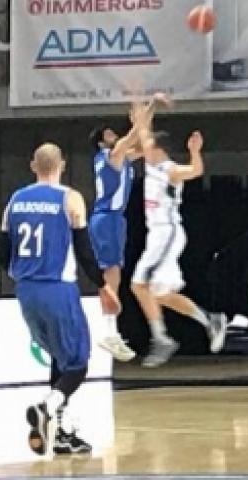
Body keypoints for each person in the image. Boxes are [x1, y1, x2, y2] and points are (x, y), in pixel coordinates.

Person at [2, 143, 120, 456]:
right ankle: (47, 407)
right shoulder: (70, 198)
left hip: (26, 290)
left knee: (60, 356)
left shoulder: (15, 200)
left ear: (33, 166)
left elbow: (3, 252)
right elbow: (84, 250)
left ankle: (61, 432)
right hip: (57, 287)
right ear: (62, 165)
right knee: (78, 363)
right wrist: (103, 286)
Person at [131, 130, 227, 368]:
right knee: (161, 296)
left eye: (148, 147)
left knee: (138, 285)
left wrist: (194, 152)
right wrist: (141, 113)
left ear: (159, 149)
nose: (143, 150)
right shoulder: (151, 165)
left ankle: (161, 338)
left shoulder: (170, 170)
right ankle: (210, 320)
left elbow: (196, 170)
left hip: (166, 232)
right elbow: (142, 130)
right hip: (158, 234)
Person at [87, 95, 161, 362]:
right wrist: (147, 109)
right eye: (109, 134)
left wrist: (145, 118)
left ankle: (111, 328)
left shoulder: (122, 156)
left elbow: (143, 144)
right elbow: (131, 138)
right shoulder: (111, 154)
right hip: (106, 218)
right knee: (111, 274)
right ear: (101, 142)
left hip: (115, 219)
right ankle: (108, 329)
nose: (114, 135)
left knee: (114, 274)